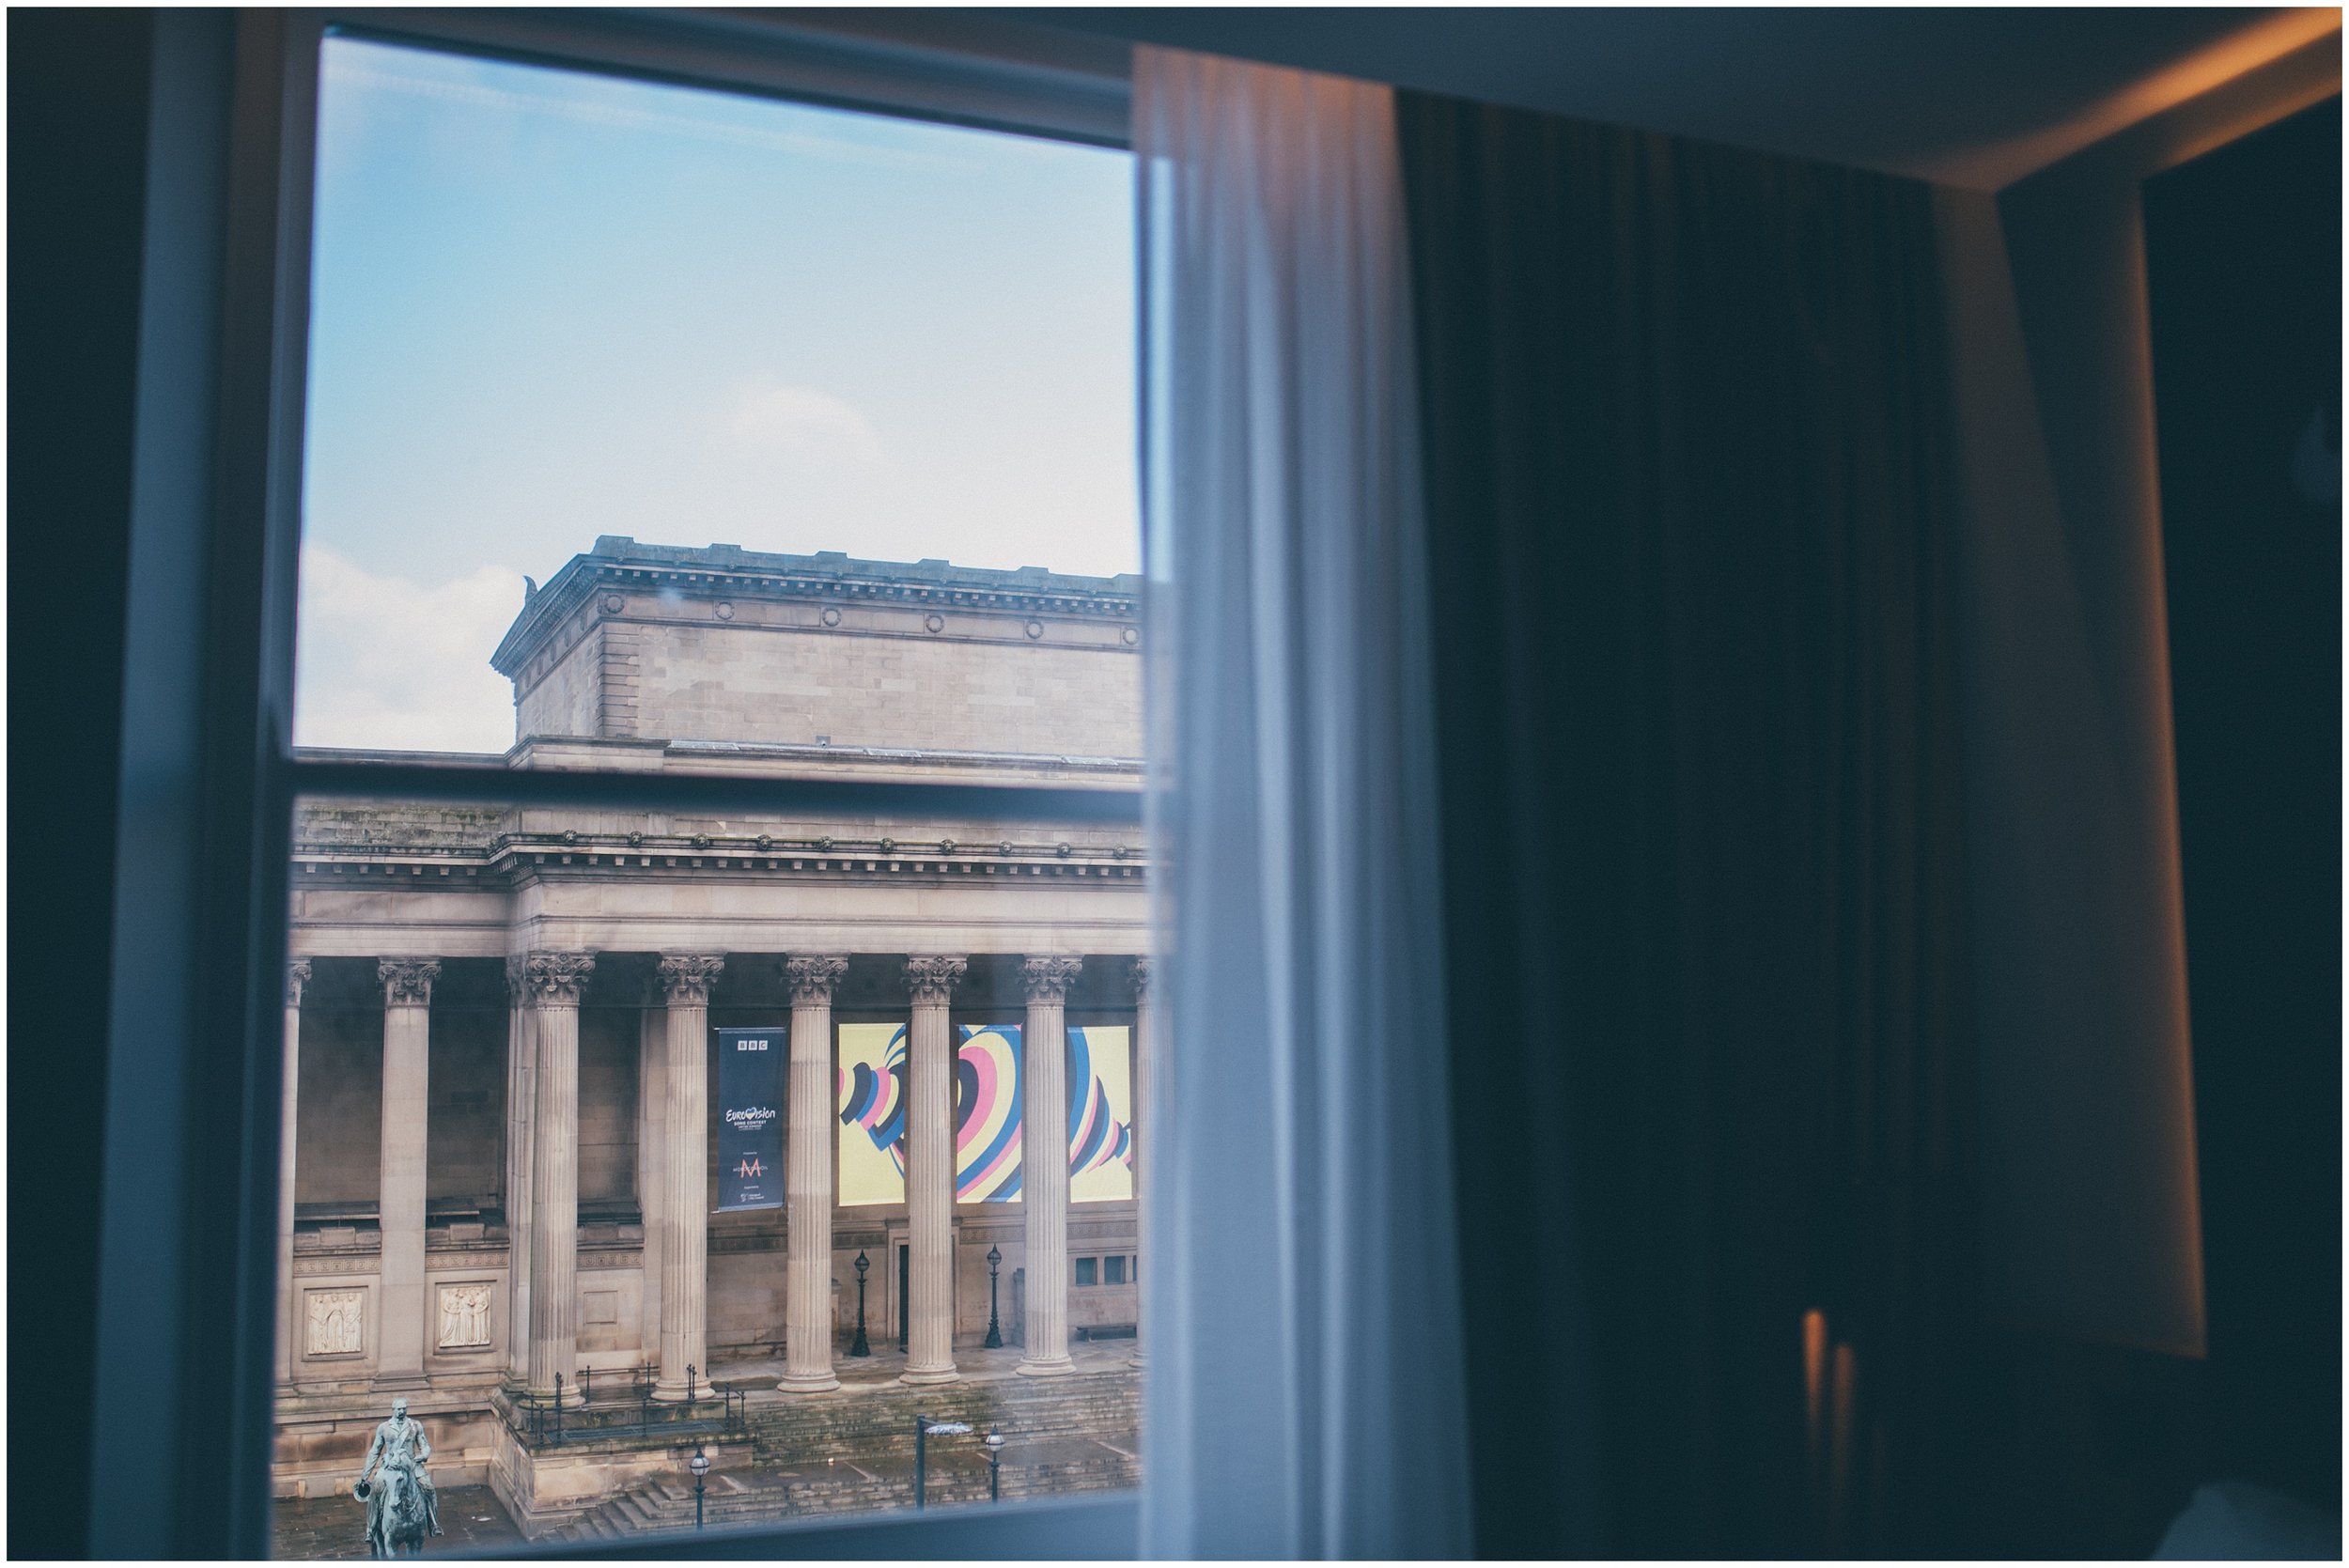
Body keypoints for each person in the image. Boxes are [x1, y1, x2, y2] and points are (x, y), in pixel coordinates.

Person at [356, 1397, 443, 1547]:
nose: (402, 1411)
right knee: (376, 1490)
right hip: (390, 1467)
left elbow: (425, 1445)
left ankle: (433, 1523)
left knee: (428, 1487)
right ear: (393, 1409)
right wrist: (365, 1474)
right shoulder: (384, 1427)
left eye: (404, 1408)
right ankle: (371, 1527)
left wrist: (424, 1455)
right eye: (399, 1409)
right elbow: (374, 1451)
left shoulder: (415, 1425)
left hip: (411, 1465)